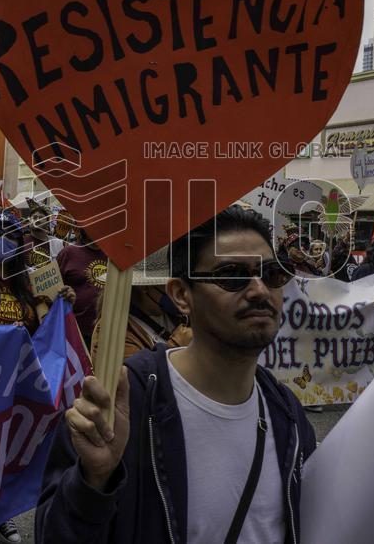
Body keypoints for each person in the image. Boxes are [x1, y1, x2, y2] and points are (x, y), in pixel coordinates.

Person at [36, 206, 316, 543]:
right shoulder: (125, 403)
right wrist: (93, 480)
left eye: (272, 273)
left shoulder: (286, 413)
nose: (258, 290)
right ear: (182, 295)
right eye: (231, 275)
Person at [0, 211, 75, 331]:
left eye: (10, 235)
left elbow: (49, 327)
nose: (3, 239)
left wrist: (63, 303)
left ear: (19, 244)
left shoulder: (34, 278)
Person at [89, 248, 193, 363]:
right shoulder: (111, 331)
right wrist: (181, 342)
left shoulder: (174, 314)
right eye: (168, 287)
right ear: (145, 287)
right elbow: (133, 377)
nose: (176, 294)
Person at [56, 227, 109, 345]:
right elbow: (54, 288)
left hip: (103, 332)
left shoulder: (112, 255)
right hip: (74, 330)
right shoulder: (68, 253)